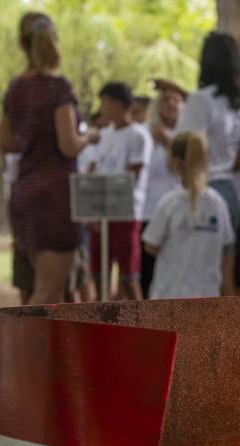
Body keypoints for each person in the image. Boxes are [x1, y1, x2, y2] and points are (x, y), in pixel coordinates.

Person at [1, 12, 98, 306]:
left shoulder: (15, 89)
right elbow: (68, 146)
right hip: (54, 196)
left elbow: (5, 142)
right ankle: (19, 352)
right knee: (47, 290)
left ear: (22, 44)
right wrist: (89, 136)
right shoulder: (58, 89)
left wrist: (32, 137)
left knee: (44, 290)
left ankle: (41, 352)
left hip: (24, 192)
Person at [173, 32, 240, 294]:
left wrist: (209, 169)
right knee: (236, 277)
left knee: (204, 277)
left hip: (205, 193)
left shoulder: (201, 100)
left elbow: (187, 150)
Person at [142, 132, 234, 299]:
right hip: (207, 297)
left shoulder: (169, 202)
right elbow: (227, 247)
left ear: (176, 161)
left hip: (170, 296)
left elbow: (151, 245)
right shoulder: (217, 203)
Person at [89, 82, 152, 301]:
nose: (102, 108)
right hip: (100, 216)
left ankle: (140, 327)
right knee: (98, 276)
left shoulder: (138, 135)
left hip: (125, 215)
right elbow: (94, 170)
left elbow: (130, 177)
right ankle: (102, 326)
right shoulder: (104, 135)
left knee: (128, 278)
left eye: (104, 102)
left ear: (116, 103)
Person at [141, 88, 183, 297]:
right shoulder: (145, 133)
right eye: (166, 99)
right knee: (147, 273)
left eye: (177, 99)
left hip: (176, 214)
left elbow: (184, 169)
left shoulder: (186, 137)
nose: (172, 103)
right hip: (147, 212)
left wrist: (168, 141)